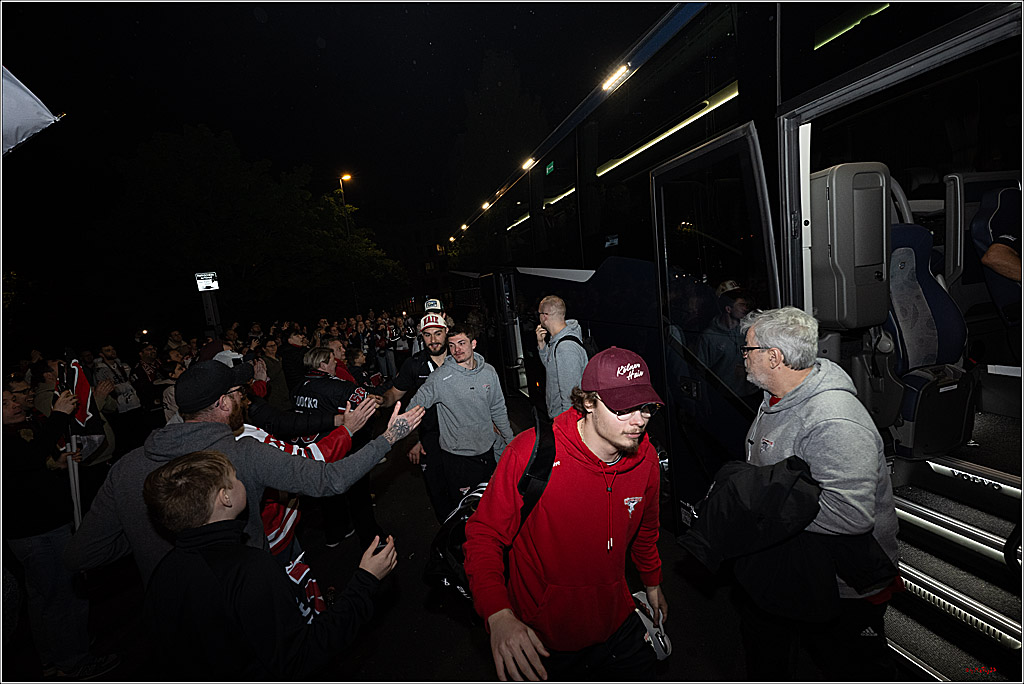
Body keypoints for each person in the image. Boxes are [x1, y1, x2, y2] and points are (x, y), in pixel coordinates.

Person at [63, 359, 423, 587]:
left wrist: (152, 538)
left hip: (174, 622)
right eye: (238, 393)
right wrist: (391, 436)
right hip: (248, 602)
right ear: (223, 404)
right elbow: (330, 480)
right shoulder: (241, 453)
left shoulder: (126, 467)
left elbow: (83, 555)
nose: (245, 399)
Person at [463, 346, 668, 682]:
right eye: (623, 409)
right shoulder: (531, 453)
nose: (639, 421)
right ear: (588, 403)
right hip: (545, 638)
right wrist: (498, 614)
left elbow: (647, 529)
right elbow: (483, 535)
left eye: (645, 407)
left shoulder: (645, 459)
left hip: (617, 622)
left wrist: (652, 580)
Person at [736, 306, 900, 680]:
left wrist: (759, 506)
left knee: (851, 665)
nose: (744, 357)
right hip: (798, 569)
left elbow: (850, 515)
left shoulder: (833, 420)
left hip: (841, 585)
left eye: (749, 349)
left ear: (774, 357)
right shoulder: (778, 397)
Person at [142, 450, 396, 679]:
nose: (242, 480)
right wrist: (366, 580)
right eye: (235, 477)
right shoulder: (250, 568)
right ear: (225, 497)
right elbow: (301, 656)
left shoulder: (165, 570)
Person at [3, 387, 121, 679]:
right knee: (64, 598)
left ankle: (55, 654)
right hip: (37, 531)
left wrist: (54, 463)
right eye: (4, 403)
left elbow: (25, 468)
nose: (15, 404)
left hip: (37, 528)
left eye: (12, 398)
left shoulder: (18, 430)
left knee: (44, 598)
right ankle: (74, 660)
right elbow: (25, 459)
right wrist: (58, 415)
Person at [407, 323, 514, 520]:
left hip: (487, 453)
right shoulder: (439, 378)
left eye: (462, 343)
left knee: (493, 505)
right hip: (458, 460)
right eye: (452, 344)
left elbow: (498, 409)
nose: (457, 350)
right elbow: (414, 407)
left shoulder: (489, 372)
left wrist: (510, 442)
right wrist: (409, 436)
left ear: (473, 343)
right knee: (466, 513)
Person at [381, 312, 450, 522]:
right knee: (439, 493)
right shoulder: (414, 364)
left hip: (461, 434)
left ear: (446, 332)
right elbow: (395, 394)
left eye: (438, 333)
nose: (433, 340)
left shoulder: (460, 357)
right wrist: (380, 400)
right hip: (430, 437)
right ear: (421, 337)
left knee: (465, 488)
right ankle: (448, 534)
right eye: (428, 335)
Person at [535, 295, 589, 420]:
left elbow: (571, 395)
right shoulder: (557, 340)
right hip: (561, 416)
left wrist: (566, 423)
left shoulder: (565, 348)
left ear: (545, 316)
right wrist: (542, 345)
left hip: (565, 418)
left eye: (539, 314)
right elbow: (551, 368)